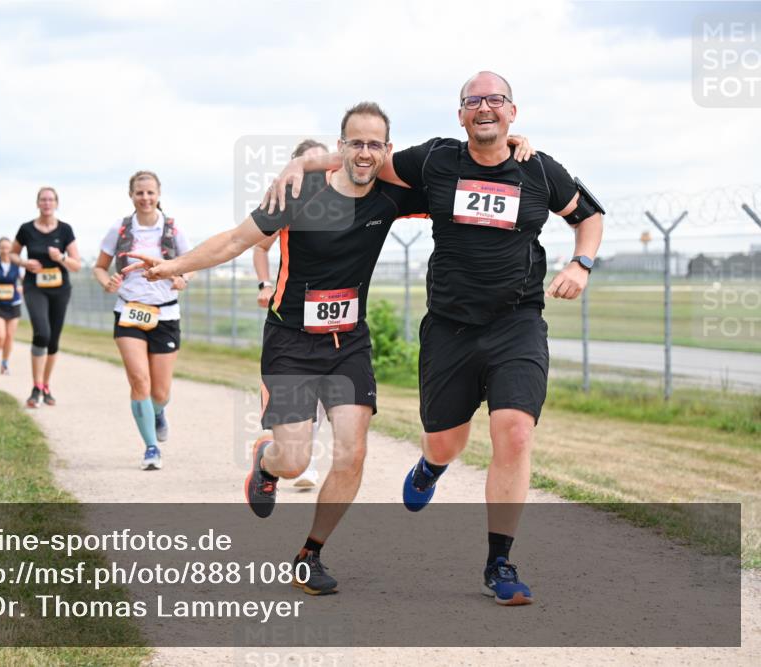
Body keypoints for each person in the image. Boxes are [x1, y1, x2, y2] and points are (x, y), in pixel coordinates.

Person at [267, 72, 602, 606]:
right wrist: (301, 163)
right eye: (474, 101)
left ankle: (499, 563)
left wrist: (582, 263)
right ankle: (431, 466)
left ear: (513, 112)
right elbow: (365, 160)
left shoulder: (540, 168)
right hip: (449, 327)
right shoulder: (436, 160)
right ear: (461, 114)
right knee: (446, 441)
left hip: (517, 322)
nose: (485, 107)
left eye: (496, 100)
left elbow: (588, 217)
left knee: (514, 433)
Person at [126, 103, 443, 594]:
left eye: (374, 144)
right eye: (355, 143)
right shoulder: (297, 192)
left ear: (387, 150)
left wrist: (508, 145)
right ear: (339, 148)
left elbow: (458, 175)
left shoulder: (391, 197)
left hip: (348, 343)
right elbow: (235, 240)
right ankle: (266, 463)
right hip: (291, 342)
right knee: (294, 460)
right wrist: (173, 266)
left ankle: (310, 554)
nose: (364, 152)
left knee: (352, 451)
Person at [94, 171, 192, 471]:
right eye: (140, 193)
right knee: (139, 381)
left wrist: (182, 277)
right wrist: (106, 281)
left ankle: (157, 412)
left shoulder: (173, 229)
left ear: (159, 194)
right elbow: (99, 267)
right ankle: (151, 448)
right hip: (129, 311)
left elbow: (191, 264)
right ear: (131, 195)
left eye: (150, 192)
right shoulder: (120, 229)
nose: (145, 198)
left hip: (165, 313)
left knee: (160, 393)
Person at [254, 139, 330, 489]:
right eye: (308, 162)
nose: (316, 168)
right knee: (304, 395)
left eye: (322, 161)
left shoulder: (341, 199)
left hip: (334, 319)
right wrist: (264, 285)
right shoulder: (289, 199)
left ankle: (308, 460)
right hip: (293, 317)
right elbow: (260, 246)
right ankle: (292, 458)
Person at [12, 186, 81, 407]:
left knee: (53, 339)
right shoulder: (26, 229)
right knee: (42, 332)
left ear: (56, 203)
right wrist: (24, 262)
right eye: (43, 200)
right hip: (35, 286)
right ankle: (35, 386)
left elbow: (76, 264)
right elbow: (12, 254)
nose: (47, 203)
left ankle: (45, 385)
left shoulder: (65, 230)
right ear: (37, 203)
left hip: (60, 289)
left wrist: (60, 257)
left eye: (51, 200)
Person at [0, 237, 22, 374]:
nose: (5, 250)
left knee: (9, 336)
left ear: (11, 249)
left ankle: (5, 363)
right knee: (0, 335)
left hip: (14, 303)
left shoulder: (17, 263)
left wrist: (22, 288)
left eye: (7, 247)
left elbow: (25, 279)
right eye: (2, 247)